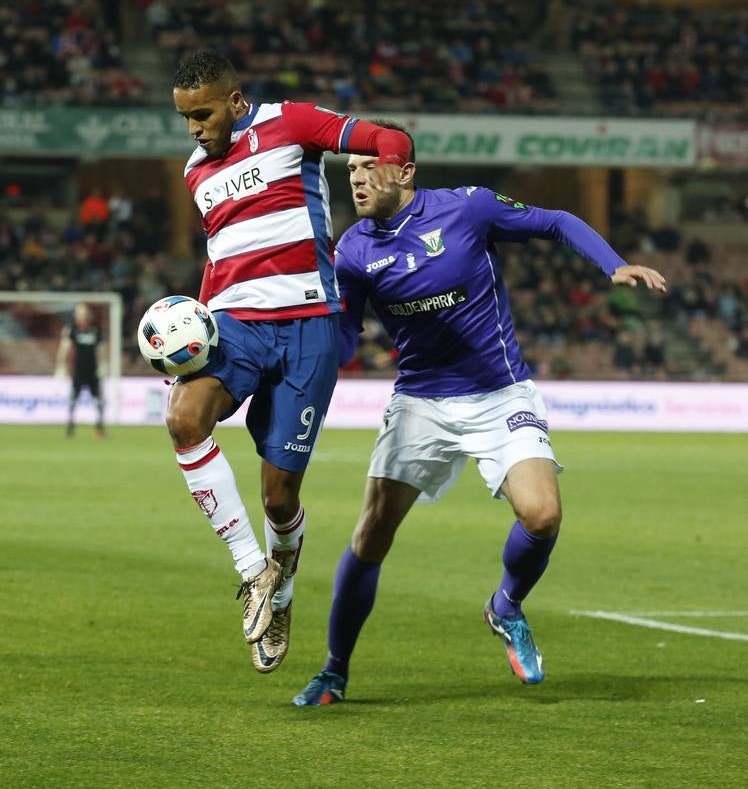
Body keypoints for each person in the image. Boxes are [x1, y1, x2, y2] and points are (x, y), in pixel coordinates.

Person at [293, 121, 667, 705]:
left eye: (369, 167)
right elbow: (344, 344)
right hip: (419, 400)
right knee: (370, 535)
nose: (358, 179)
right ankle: (334, 671)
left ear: (405, 171)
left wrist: (611, 264)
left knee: (541, 515)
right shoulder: (352, 252)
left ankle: (506, 605)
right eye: (351, 171)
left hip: (500, 392)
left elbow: (556, 221)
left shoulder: (469, 209)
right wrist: (314, 331)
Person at [166, 49, 413, 675]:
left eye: (203, 114)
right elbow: (224, 255)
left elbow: (390, 136)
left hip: (307, 324)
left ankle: (282, 590)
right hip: (236, 324)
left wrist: (386, 167)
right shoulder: (196, 171)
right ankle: (255, 573)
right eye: (185, 118)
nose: (195, 129)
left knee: (280, 496)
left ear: (235, 101)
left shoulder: (294, 123)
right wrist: (190, 332)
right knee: (185, 417)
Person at [55, 302, 105, 437]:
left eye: (83, 312)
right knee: (73, 400)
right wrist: (61, 366)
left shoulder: (95, 328)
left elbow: (100, 349)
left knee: (99, 400)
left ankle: (99, 428)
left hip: (93, 370)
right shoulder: (72, 328)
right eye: (79, 312)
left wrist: (103, 365)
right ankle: (70, 429)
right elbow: (64, 347)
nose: (81, 315)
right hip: (78, 370)